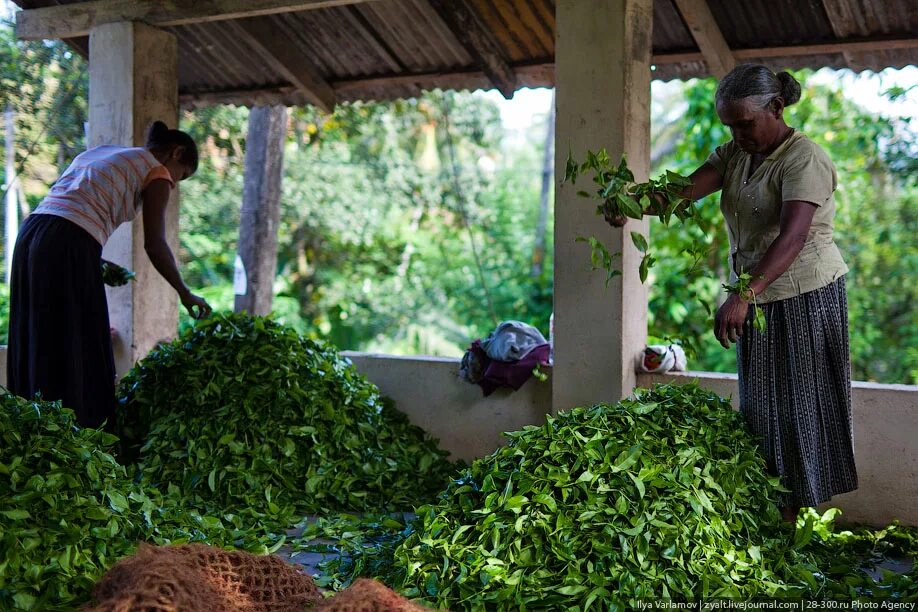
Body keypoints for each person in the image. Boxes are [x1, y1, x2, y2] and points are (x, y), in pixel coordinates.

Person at [606, 64, 857, 523]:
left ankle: (797, 523)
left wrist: (743, 294)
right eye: (731, 125)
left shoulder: (804, 158)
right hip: (758, 295)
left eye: (745, 123)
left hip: (805, 295)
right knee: (762, 407)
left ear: (776, 108)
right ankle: (772, 516)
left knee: (800, 406)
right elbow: (683, 190)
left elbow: (793, 237)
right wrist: (632, 202)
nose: (738, 133)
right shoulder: (736, 155)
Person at [7, 121, 212, 429]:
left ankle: (30, 423)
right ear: (176, 152)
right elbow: (155, 245)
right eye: (178, 175)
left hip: (31, 236)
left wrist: (96, 260)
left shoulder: (102, 153)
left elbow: (67, 209)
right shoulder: (156, 171)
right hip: (69, 242)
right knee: (85, 343)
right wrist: (185, 293)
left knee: (40, 332)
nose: (173, 181)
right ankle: (80, 431)